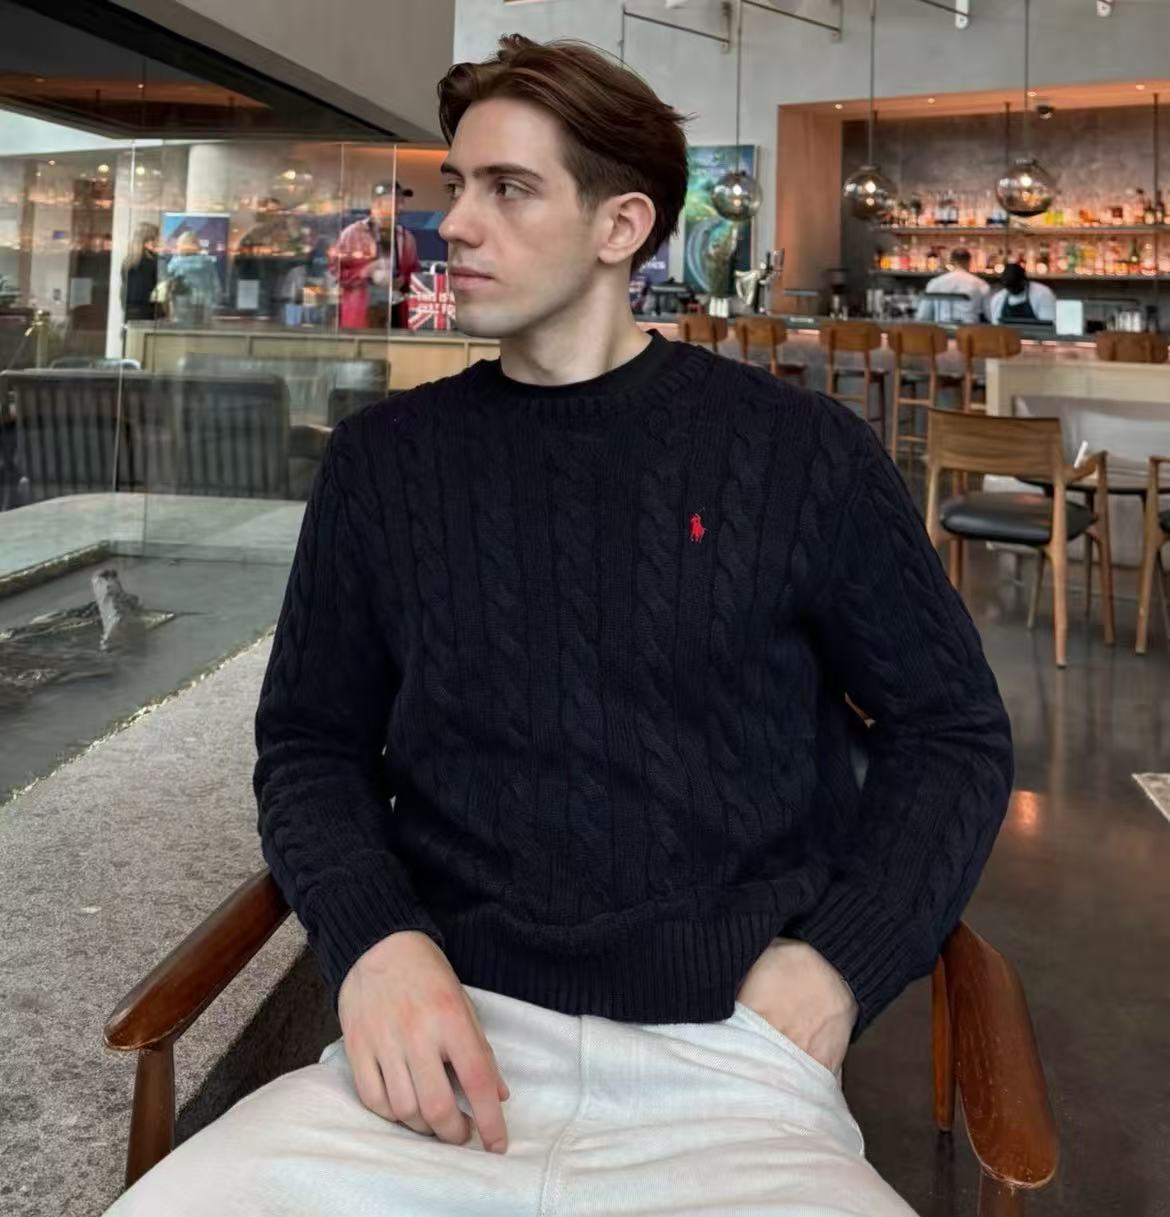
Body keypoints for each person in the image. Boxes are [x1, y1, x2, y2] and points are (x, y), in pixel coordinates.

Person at [106, 35, 1013, 1217]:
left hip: (733, 1060)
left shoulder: (800, 454)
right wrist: (375, 942)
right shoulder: (385, 462)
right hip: (436, 1039)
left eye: (509, 188)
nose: (452, 224)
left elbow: (951, 731)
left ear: (620, 225)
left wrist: (836, 964)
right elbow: (310, 742)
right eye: (456, 186)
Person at [336, 180, 422, 330]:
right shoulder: (352, 234)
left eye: (402, 202)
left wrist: (403, 281)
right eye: (396, 202)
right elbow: (336, 274)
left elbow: (415, 275)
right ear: (377, 204)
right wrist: (365, 272)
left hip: (396, 316)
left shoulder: (407, 238)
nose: (400, 208)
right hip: (362, 318)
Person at [914, 247, 990, 324]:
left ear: (951, 261)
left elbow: (924, 315)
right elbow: (989, 315)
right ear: (969, 261)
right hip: (970, 329)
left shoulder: (936, 282)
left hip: (942, 328)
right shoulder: (980, 284)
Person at [162, 231, 221, 327]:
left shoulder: (175, 263)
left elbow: (167, 282)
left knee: (182, 328)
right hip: (203, 301)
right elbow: (216, 284)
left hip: (181, 300)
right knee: (201, 328)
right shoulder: (206, 262)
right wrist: (216, 301)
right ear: (197, 244)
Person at [989, 261, 1057, 325]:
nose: (1012, 290)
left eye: (1014, 286)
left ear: (1024, 281)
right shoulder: (998, 299)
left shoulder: (1043, 294)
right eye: (1009, 287)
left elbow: (1048, 325)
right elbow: (996, 327)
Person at [120, 222, 160, 322]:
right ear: (148, 241)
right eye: (156, 239)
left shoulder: (128, 261)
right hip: (147, 313)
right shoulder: (153, 261)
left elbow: (124, 289)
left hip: (130, 312)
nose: (158, 242)